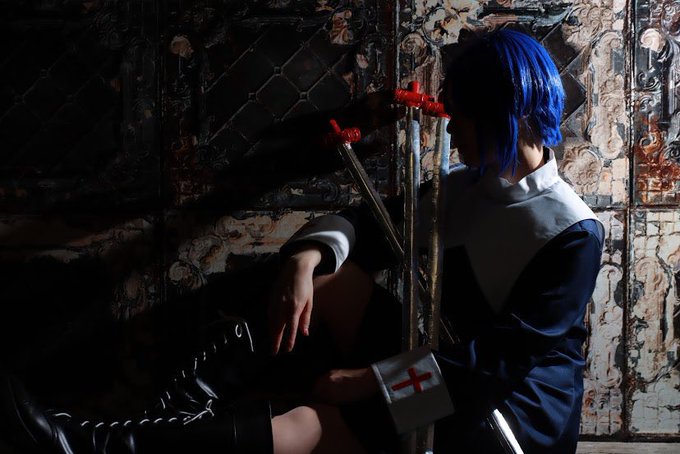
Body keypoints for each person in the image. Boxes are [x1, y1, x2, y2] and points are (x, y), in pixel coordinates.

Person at [0, 29, 603, 454]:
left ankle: (86, 446)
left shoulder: (571, 232)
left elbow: (492, 367)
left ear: (500, 116)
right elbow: (364, 226)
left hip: (501, 418)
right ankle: (171, 415)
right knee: (328, 279)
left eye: (462, 116)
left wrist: (370, 380)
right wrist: (303, 260)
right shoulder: (468, 186)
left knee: (311, 426)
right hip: (441, 363)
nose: (450, 126)